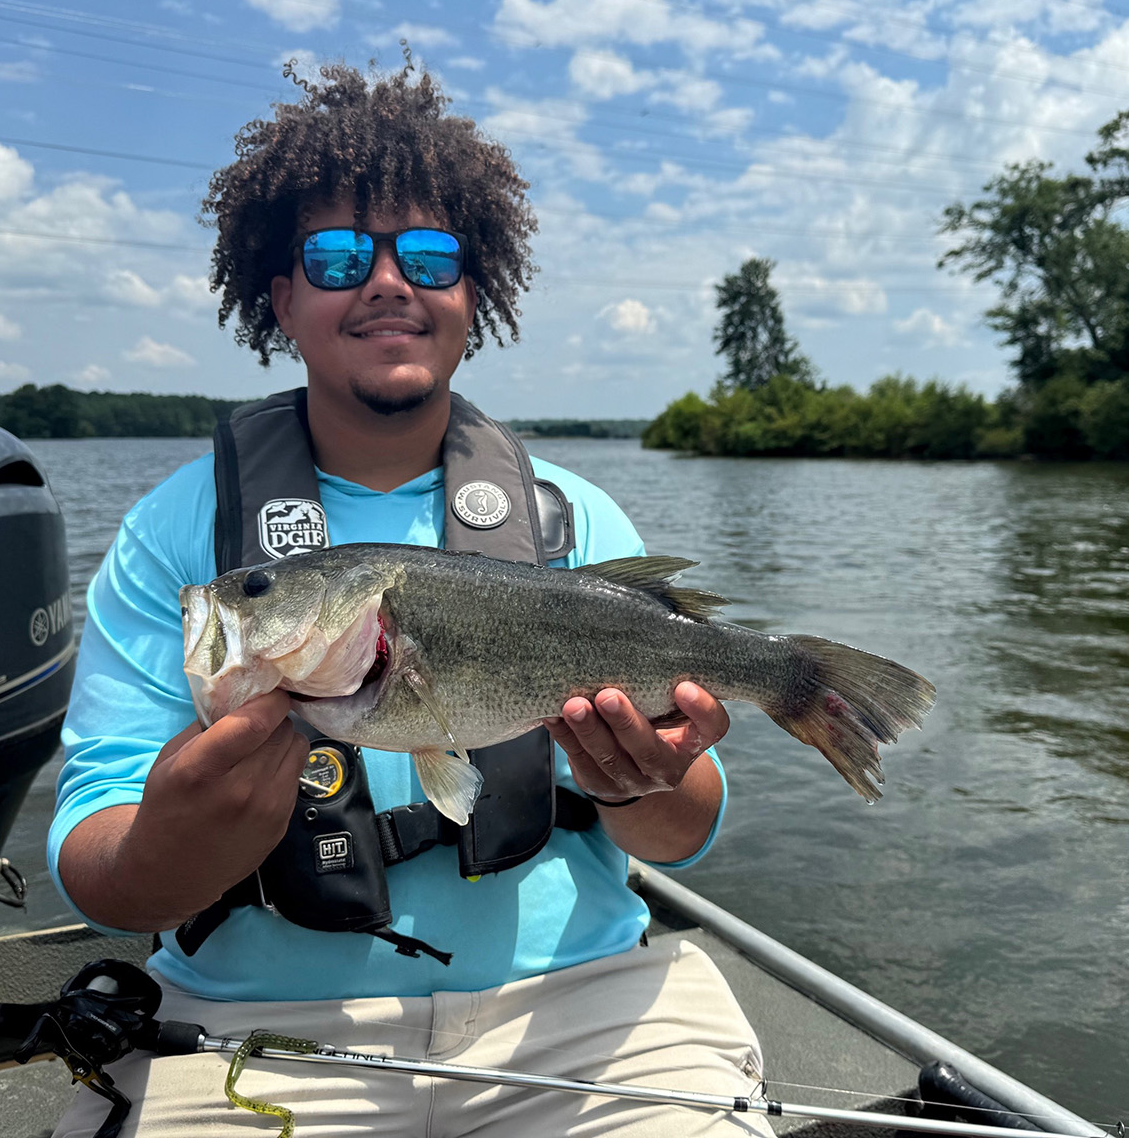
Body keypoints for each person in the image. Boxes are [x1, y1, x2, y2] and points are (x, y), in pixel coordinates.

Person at [48, 58, 772, 1137]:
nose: (388, 282)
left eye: (429, 256)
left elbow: (687, 831)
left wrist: (639, 785)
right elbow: (97, 871)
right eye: (337, 256)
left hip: (584, 1012)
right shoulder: (173, 535)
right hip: (261, 1033)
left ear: (471, 295)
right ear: (281, 298)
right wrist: (171, 847)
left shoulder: (573, 523)